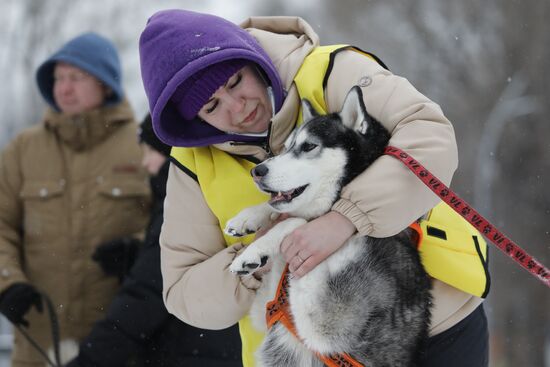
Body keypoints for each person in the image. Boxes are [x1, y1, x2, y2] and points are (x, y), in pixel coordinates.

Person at [138, 9, 490, 367]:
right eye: (211, 106)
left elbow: (430, 136)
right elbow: (183, 294)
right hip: (311, 352)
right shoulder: (194, 162)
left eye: (235, 82)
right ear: (196, 122)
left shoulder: (328, 71)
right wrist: (261, 256)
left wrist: (345, 219)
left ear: (249, 60)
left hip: (431, 320)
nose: (237, 107)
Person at [0, 32, 151, 366]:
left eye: (76, 77)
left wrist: (136, 250)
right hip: (37, 346)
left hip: (119, 346)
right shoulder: (23, 149)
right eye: (58, 78)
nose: (63, 88)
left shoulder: (143, 146)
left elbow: (173, 228)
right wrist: (7, 282)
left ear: (105, 84)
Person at [65, 114, 243, 367]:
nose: (146, 163)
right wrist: (136, 256)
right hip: (214, 350)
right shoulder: (209, 190)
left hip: (188, 353)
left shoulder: (176, 206)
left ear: (170, 151)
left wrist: (90, 360)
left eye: (150, 152)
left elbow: (145, 297)